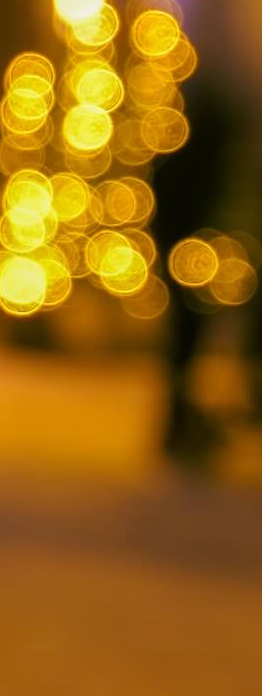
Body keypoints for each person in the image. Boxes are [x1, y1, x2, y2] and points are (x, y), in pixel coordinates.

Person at [150, 73, 241, 466]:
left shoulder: (176, 149)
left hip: (183, 253)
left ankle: (180, 424)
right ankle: (181, 426)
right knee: (186, 346)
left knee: (183, 349)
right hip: (192, 257)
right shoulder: (200, 156)